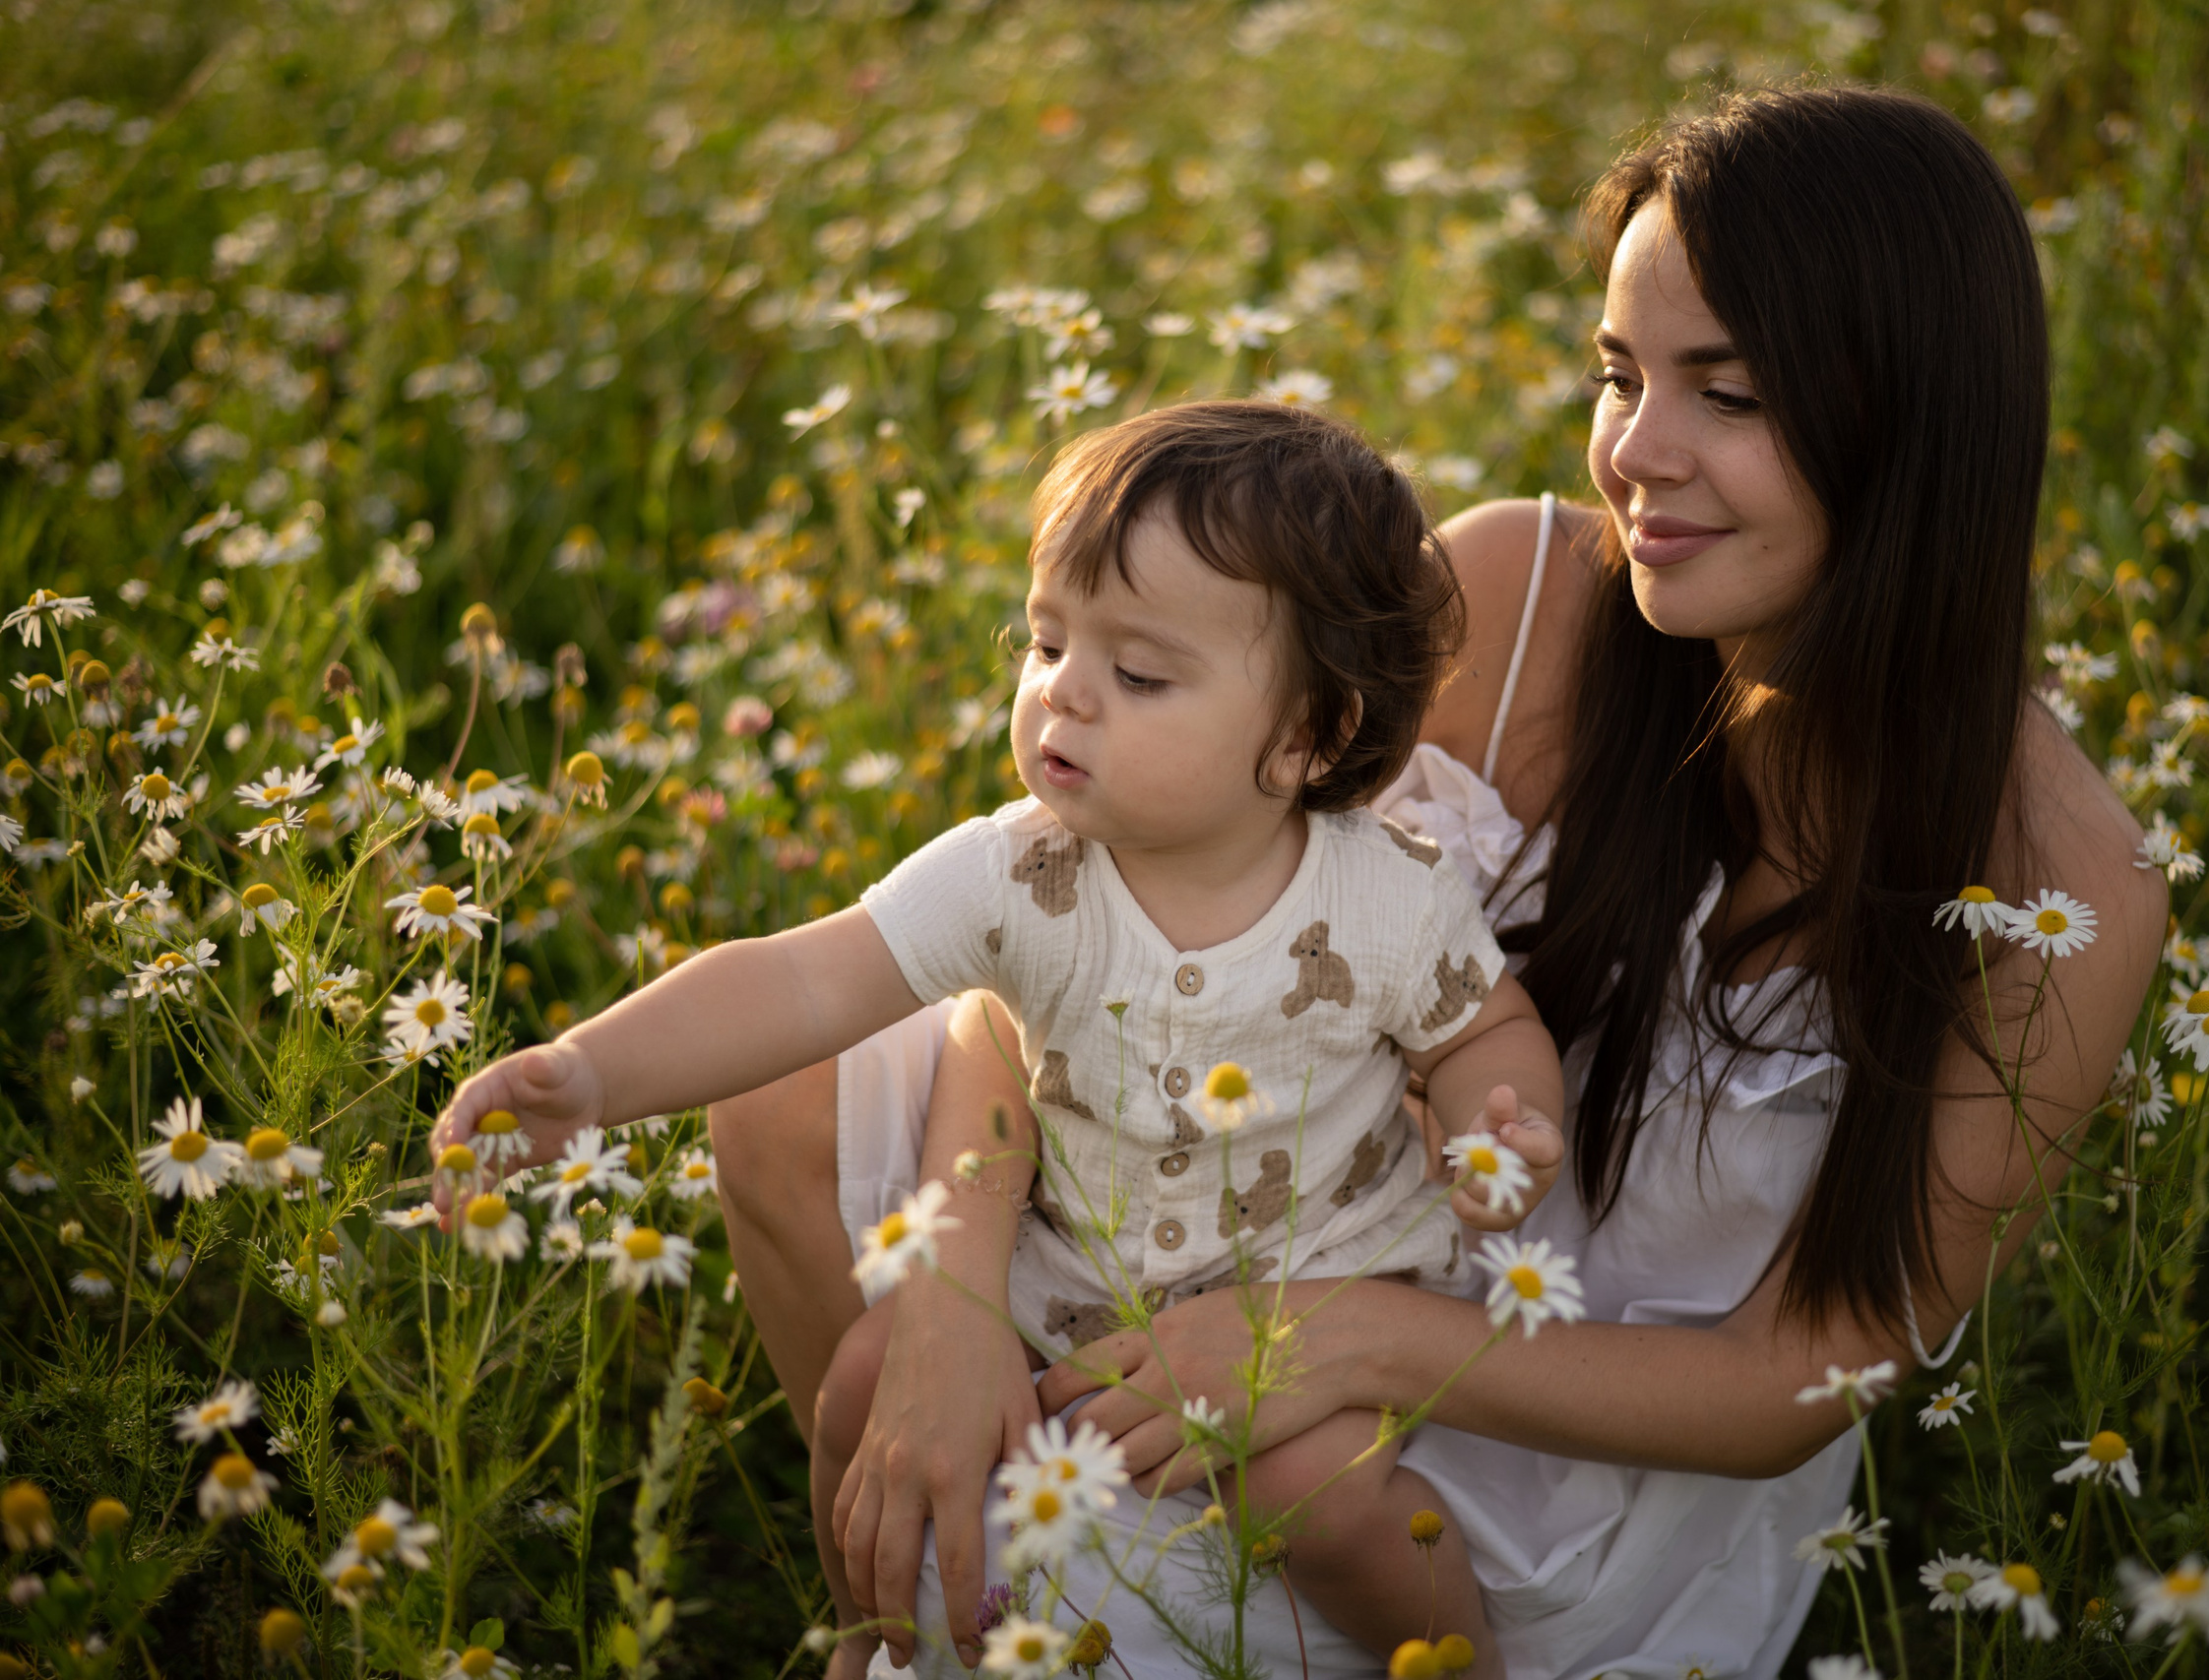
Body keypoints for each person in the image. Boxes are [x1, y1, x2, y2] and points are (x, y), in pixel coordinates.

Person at [713, 84, 2164, 1680]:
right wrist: (952, 1284)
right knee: (787, 1084)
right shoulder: (1516, 591)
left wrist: (1344, 1348)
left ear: (1910, 417)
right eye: (1620, 377)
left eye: (1727, 394)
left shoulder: (2062, 889)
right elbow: (1082, 916)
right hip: (1276, 1209)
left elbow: (1795, 1385)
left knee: (1081, 1596)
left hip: (1554, 1465)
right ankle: (899, 1550)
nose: (1636, 453)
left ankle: (958, 1594)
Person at [430, 401, 1566, 1679]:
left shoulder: (1386, 895)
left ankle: (1455, 1658)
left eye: (1138, 675)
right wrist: (595, 1074)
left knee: (1324, 1499)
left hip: (1307, 1332)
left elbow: (1482, 1027)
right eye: (1043, 641)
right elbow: (801, 984)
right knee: (867, 1381)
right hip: (1071, 1311)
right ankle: (876, 1628)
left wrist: (1500, 1118)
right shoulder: (1021, 873)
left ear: (1311, 737)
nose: (1062, 696)